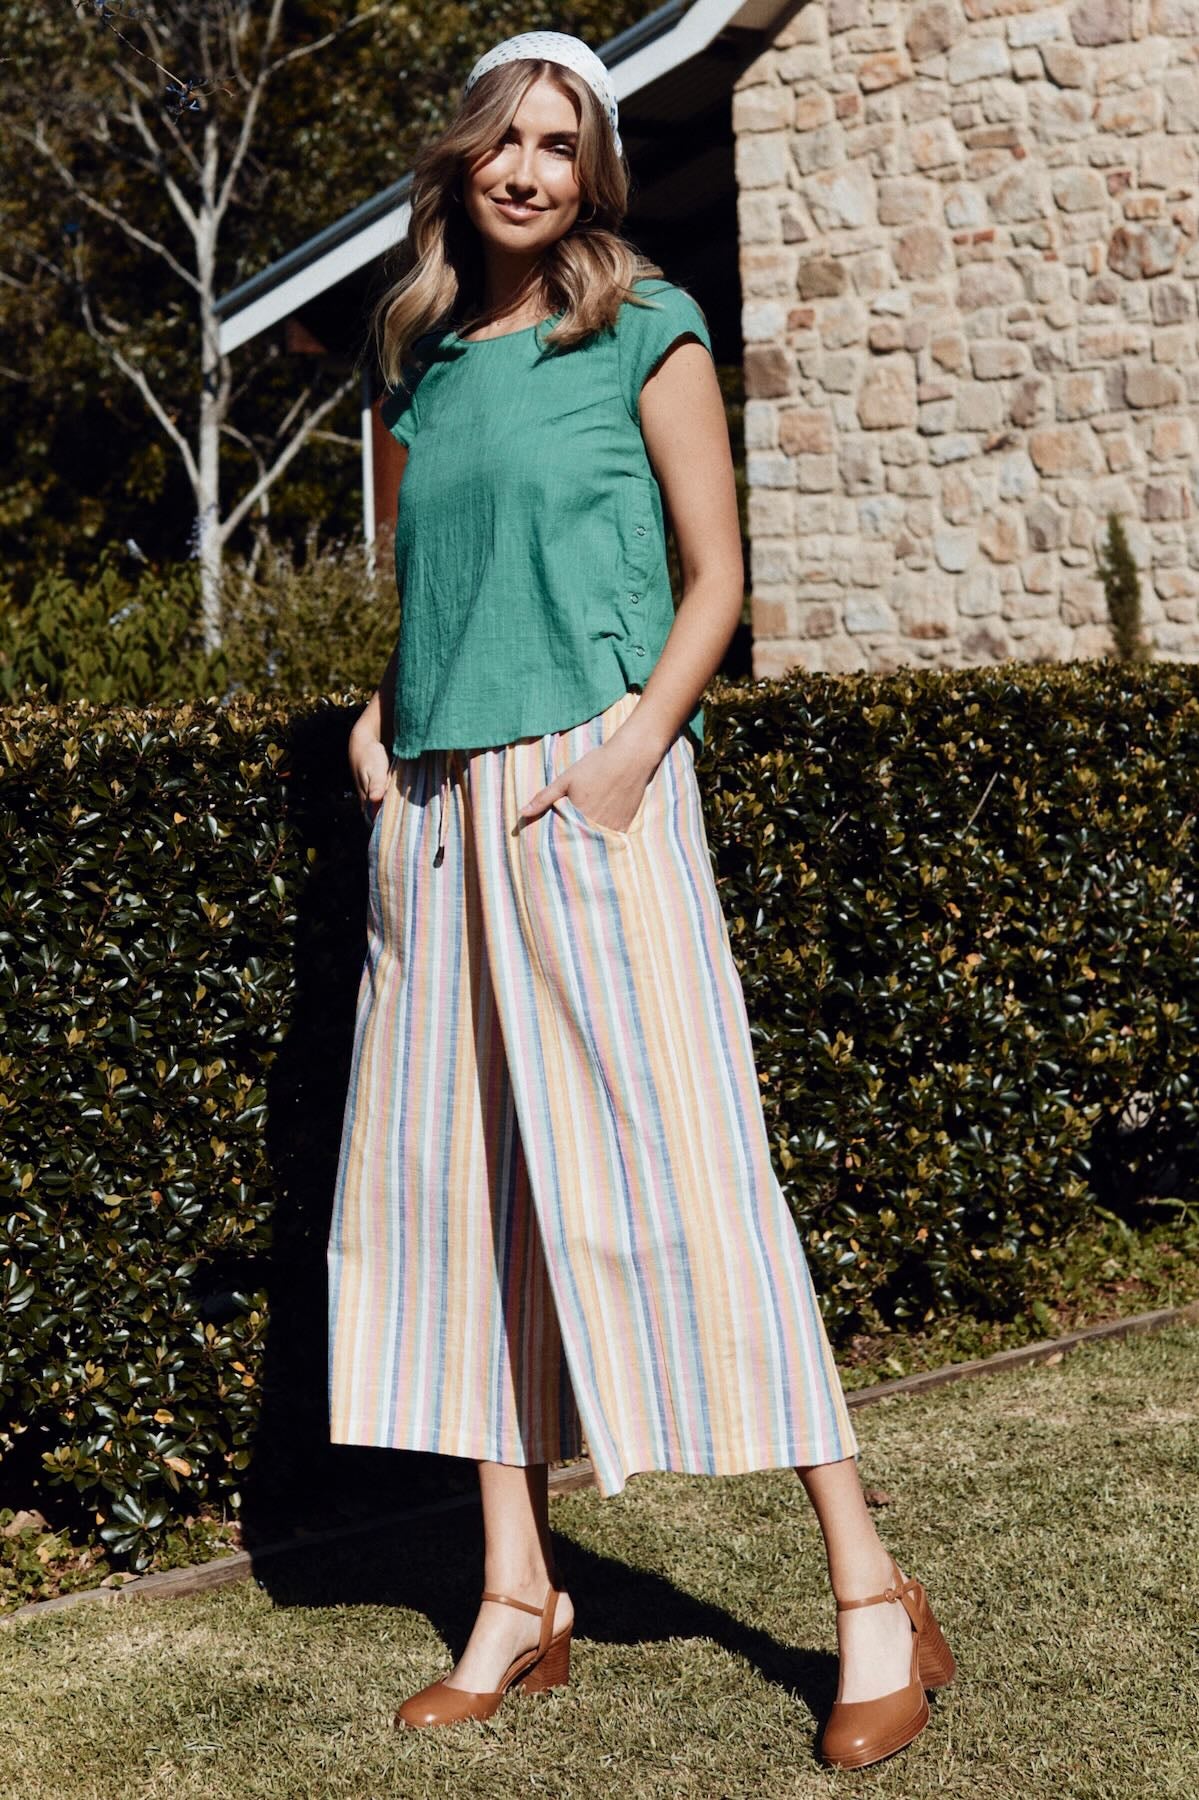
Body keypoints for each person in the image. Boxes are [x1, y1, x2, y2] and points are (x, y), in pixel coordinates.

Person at [327, 30, 955, 1770]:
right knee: (461, 1205)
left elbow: (717, 578)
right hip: (438, 811)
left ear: (593, 169)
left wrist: (623, 763)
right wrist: (385, 716)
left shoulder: (645, 327)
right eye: (504, 140)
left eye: (560, 143)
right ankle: (518, 1595)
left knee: (694, 1181)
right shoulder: (420, 362)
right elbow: (436, 589)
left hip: (592, 791)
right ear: (463, 159)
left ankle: (871, 1592)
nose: (528, 169)